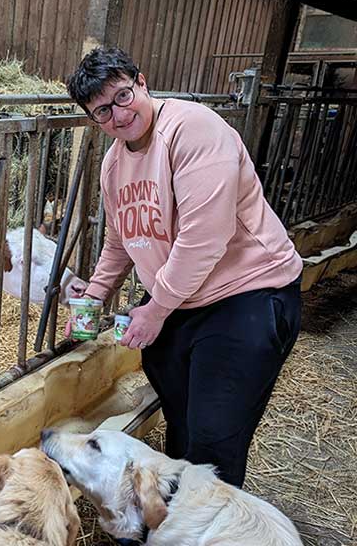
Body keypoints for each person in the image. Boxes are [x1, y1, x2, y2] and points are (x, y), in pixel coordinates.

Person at [65, 47, 302, 489]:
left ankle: (214, 525)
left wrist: (155, 310)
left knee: (213, 441)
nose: (117, 115)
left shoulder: (192, 128)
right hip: (179, 303)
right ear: (93, 120)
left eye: (121, 96)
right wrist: (94, 297)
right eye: (101, 111)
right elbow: (122, 239)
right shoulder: (114, 164)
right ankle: (178, 522)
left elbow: (204, 237)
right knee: (182, 425)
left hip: (245, 296)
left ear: (142, 82)